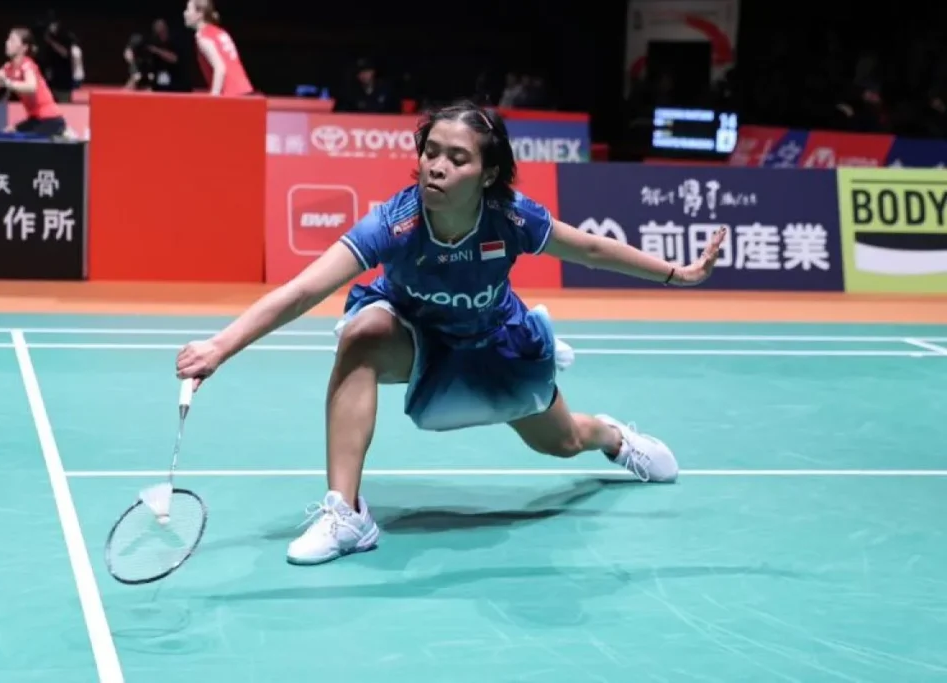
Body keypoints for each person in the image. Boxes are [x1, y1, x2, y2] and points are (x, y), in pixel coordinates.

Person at [175, 101, 725, 566]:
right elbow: (303, 290)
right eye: (430, 152)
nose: (435, 167)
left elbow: (591, 249)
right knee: (361, 335)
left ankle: (612, 438)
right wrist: (221, 346)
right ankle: (346, 513)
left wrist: (677, 274)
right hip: (417, 339)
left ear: (487, 174)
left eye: (456, 158)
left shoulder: (510, 218)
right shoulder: (395, 223)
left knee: (562, 443)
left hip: (494, 345)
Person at [183, 0, 254, 97]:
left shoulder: (203, 38)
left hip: (230, 95)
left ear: (199, 14)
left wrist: (214, 97)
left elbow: (220, 68)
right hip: (244, 92)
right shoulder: (220, 32)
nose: (185, 13)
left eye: (188, 9)